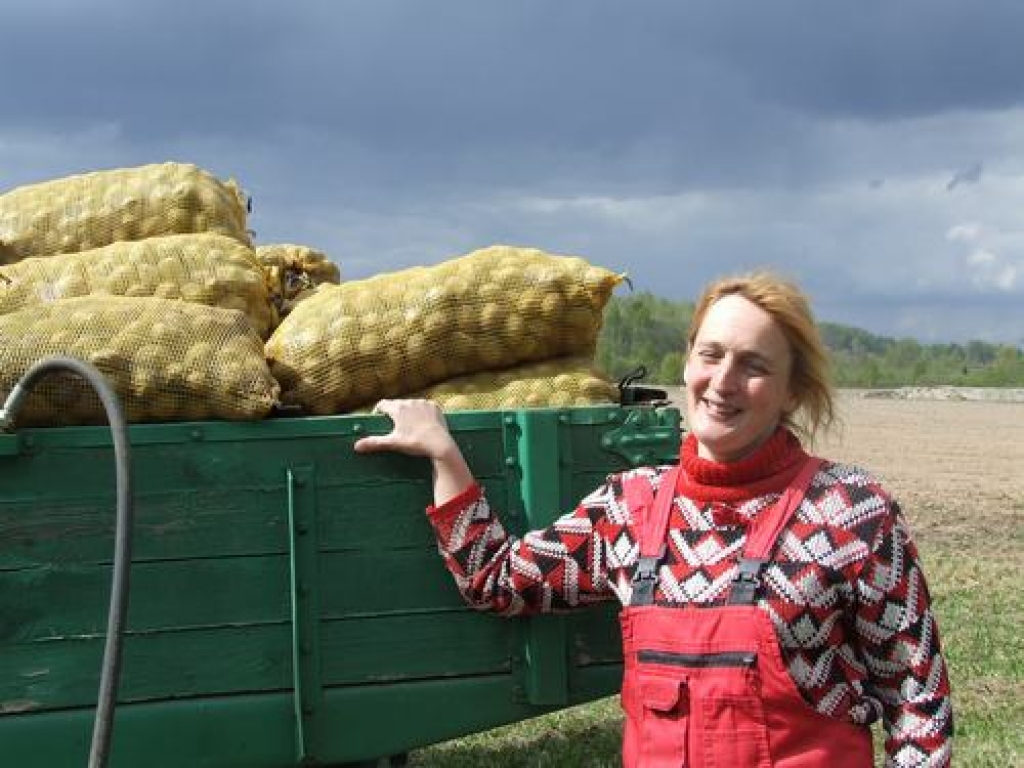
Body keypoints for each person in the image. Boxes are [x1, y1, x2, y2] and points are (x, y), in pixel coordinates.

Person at [354, 271, 953, 767]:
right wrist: (443, 453)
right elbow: (499, 581)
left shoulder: (851, 512)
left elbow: (917, 697)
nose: (722, 382)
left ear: (792, 391)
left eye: (754, 365)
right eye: (710, 354)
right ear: (688, 361)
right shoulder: (631, 508)